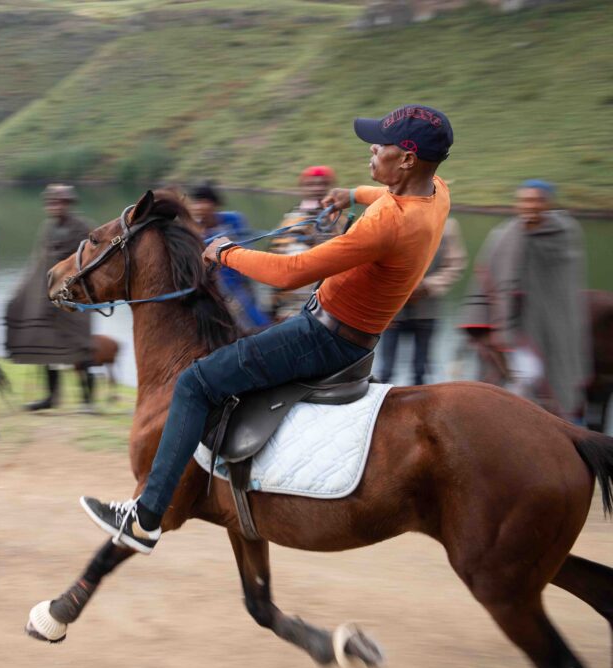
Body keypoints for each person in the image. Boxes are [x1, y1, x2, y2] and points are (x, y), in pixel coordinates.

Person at [80, 104, 454, 554]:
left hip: (323, 337)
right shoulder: (436, 192)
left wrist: (224, 253)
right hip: (359, 338)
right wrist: (350, 194)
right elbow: (393, 197)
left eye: (381, 145)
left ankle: (146, 516)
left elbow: (291, 272)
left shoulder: (388, 223)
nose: (372, 148)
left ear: (408, 159)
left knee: (196, 383)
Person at [460, 180, 590, 420]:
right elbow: (486, 278)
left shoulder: (565, 234)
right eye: (524, 200)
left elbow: (565, 288)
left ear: (548, 204)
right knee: (517, 387)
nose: (529, 206)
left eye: (536, 200)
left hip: (554, 329)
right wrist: (489, 317)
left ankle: (559, 433)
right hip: (514, 329)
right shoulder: (503, 235)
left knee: (551, 386)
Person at [5, 184, 95, 412]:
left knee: (80, 349)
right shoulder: (47, 228)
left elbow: (94, 259)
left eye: (61, 202)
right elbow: (37, 261)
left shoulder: (83, 228)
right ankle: (51, 397)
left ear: (69, 204)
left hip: (75, 298)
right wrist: (21, 292)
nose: (56, 207)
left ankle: (87, 401)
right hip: (50, 298)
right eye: (52, 202)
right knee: (48, 347)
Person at [377, 217, 466, 385]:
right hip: (392, 310)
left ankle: (421, 409)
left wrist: (427, 286)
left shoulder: (447, 226)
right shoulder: (390, 220)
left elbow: (455, 265)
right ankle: (382, 408)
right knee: (385, 370)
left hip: (427, 309)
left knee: (421, 369)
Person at [267, 166, 349, 321]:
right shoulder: (289, 222)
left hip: (332, 310)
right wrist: (273, 307)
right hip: (292, 311)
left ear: (331, 187)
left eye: (323, 184)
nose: (318, 188)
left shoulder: (342, 222)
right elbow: (274, 265)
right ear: (302, 188)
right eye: (311, 184)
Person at [187, 183, 269, 330]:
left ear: (214, 204)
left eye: (203, 201)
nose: (198, 207)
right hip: (212, 289)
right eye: (195, 202)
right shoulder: (192, 232)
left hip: (239, 282)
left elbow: (248, 248)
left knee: (255, 320)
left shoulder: (234, 220)